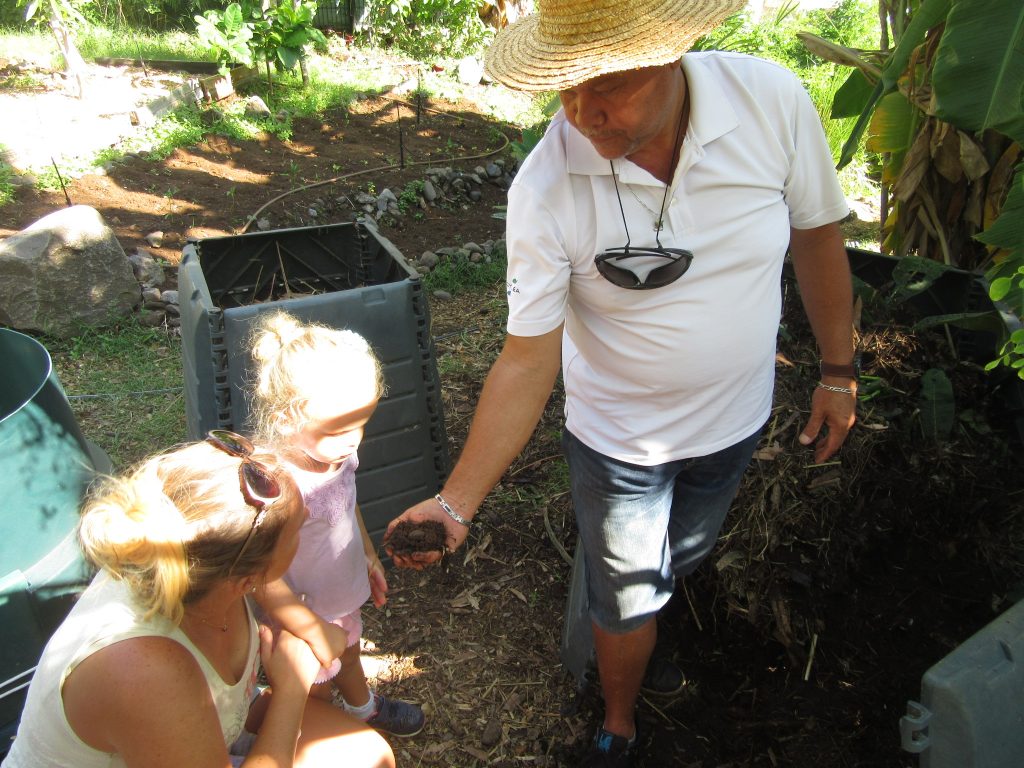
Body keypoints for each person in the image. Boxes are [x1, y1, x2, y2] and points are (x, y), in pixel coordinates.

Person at [384, 0, 859, 765]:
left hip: (736, 422)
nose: (583, 111)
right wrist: (455, 502)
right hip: (618, 445)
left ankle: (634, 627)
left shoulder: (771, 104)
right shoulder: (546, 189)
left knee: (681, 557)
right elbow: (527, 358)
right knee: (627, 593)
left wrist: (840, 373)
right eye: (564, 86)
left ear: (674, 53)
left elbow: (817, 234)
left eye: (608, 84)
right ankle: (618, 718)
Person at [2, 436, 395, 768]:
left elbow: (223, 707)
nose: (309, 514)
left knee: (369, 756)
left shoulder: (201, 567)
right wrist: (291, 689)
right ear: (248, 577)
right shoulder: (144, 669)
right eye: (298, 529)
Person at [246, 311, 426, 738]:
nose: (352, 440)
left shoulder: (336, 453)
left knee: (348, 650)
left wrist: (365, 551)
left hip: (337, 595)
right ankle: (320, 735)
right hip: (301, 611)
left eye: (361, 425)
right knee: (313, 686)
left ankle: (363, 707)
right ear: (288, 418)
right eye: (340, 428)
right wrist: (308, 627)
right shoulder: (280, 486)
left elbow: (347, 503)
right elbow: (261, 575)